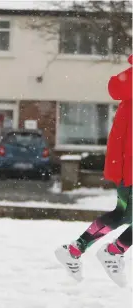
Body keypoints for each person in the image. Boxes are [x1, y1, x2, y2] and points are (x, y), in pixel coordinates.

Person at [55, 55, 132, 288]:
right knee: (123, 213)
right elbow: (117, 87)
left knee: (122, 214)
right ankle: (111, 252)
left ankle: (75, 250)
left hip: (127, 165)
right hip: (129, 166)